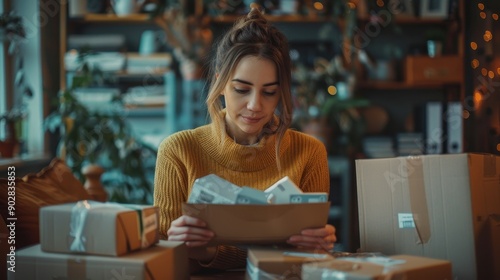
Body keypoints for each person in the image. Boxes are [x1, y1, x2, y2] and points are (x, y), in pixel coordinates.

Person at [154, 7, 336, 271]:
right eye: (241, 89)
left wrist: (316, 248)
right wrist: (187, 247)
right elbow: (162, 261)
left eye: (270, 92)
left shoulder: (309, 152)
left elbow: (304, 262)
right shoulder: (178, 151)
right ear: (220, 83)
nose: (255, 105)